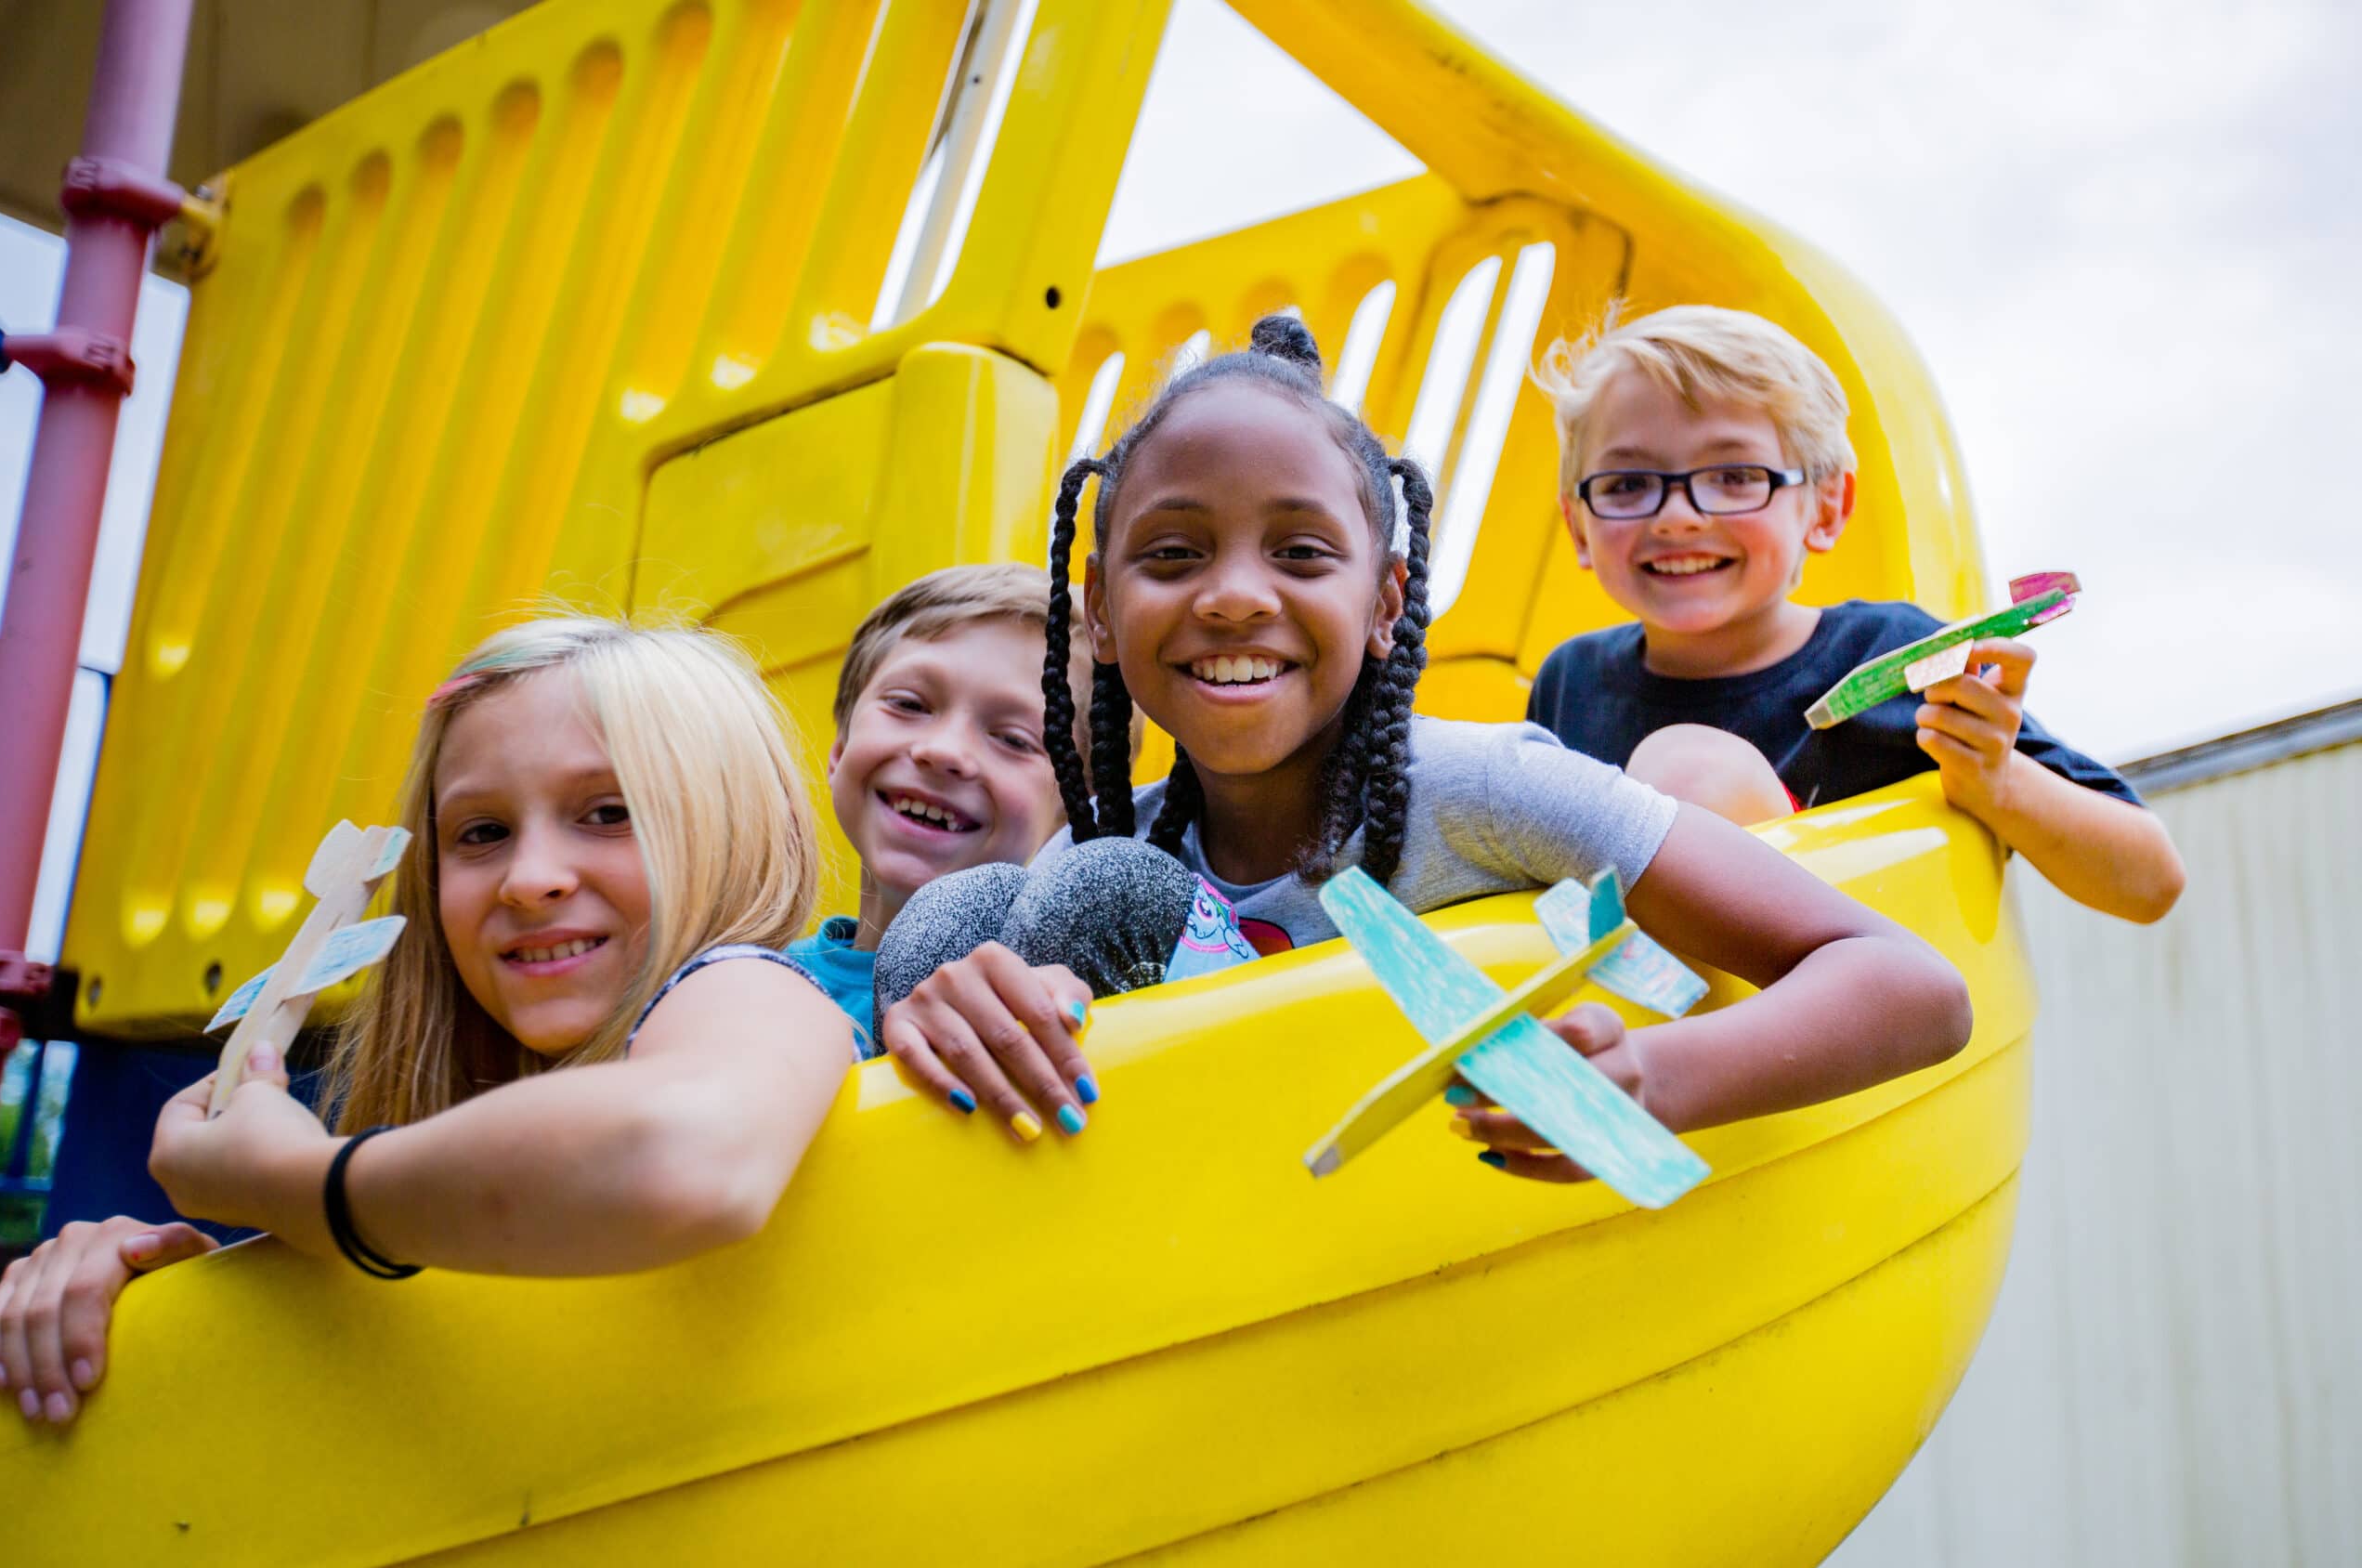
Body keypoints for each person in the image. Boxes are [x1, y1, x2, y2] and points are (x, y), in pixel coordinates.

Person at [870, 315, 1974, 1169]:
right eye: (1171, 555)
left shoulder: (1478, 788)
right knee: (953, 932)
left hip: (1505, 1285)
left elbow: (1910, 986)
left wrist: (1650, 1075)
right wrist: (954, 1019)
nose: (1234, 596)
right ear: (1100, 614)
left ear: (1386, 600)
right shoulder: (1100, 866)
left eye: (1301, 552)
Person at [0, 615, 859, 1428]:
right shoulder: (441, 1166)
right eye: (481, 832)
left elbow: (678, 1151)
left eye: (608, 812)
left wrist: (297, 1182)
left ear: (740, 830)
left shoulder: (751, 986)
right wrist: (166, 1305)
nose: (530, 877)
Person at [1526, 304, 2185, 923]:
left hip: (1849, 1027)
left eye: (1734, 476)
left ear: (1827, 506)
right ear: (1577, 525)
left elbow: (2150, 881)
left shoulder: (1898, 660)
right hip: (1629, 1031)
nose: (1678, 516)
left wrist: (1995, 778)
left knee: (1691, 775)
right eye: (1627, 484)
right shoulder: (1569, 683)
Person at [790, 564, 1126, 1036]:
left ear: (1072, 816)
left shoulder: (1080, 1004)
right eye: (908, 705)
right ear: (841, 748)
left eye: (1013, 739)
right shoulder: (738, 984)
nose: (945, 751)